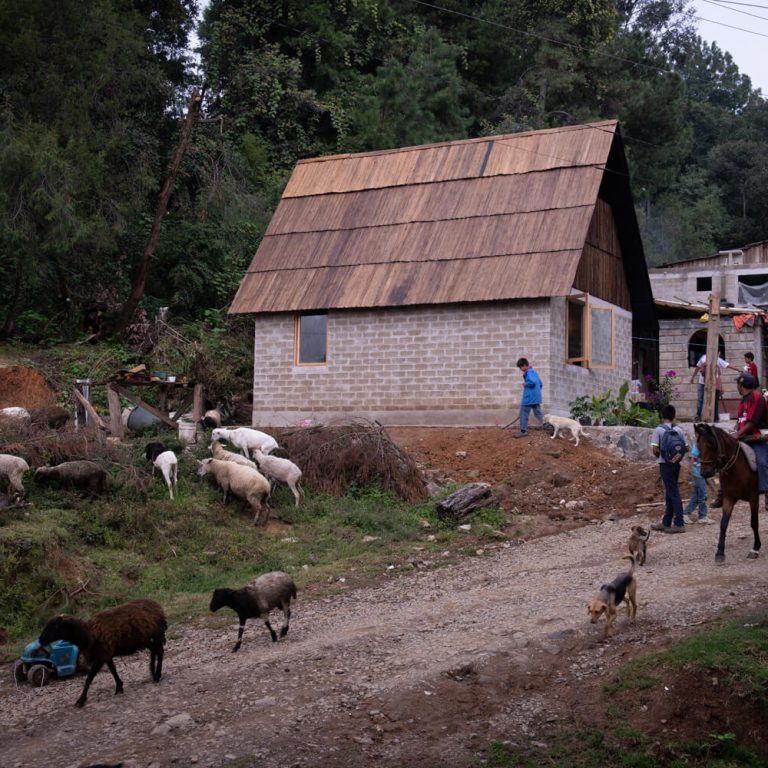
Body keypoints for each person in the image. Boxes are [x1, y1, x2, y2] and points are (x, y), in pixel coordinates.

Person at [712, 372, 768, 507]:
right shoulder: (744, 399)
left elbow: (753, 422)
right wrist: (734, 429)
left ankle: (766, 490)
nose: (736, 386)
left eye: (737, 383)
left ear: (741, 385)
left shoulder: (757, 397)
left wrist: (738, 434)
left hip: (757, 437)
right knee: (725, 457)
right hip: (744, 436)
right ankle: (723, 492)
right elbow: (741, 419)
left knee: (761, 461)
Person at [650, 404, 687, 533]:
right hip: (676, 464)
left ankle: (679, 523)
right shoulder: (679, 430)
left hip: (665, 465)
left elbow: (654, 450)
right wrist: (675, 458)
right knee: (670, 491)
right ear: (674, 416)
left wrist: (663, 456)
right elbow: (685, 448)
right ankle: (666, 522)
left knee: (673, 492)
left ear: (661, 415)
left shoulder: (658, 430)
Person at [690, 353, 731, 422]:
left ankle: (715, 417)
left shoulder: (717, 360)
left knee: (714, 400)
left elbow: (725, 367)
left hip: (713, 383)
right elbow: (698, 367)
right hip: (702, 382)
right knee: (701, 399)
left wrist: (720, 386)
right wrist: (693, 377)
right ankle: (698, 416)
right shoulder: (703, 358)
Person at [513, 357, 544, 438]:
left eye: (520, 367)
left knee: (523, 413)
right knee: (538, 413)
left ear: (524, 365)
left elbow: (532, 382)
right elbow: (540, 384)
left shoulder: (529, 372)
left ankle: (523, 431)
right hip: (536, 397)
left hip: (529, 398)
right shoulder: (534, 372)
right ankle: (550, 427)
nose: (520, 369)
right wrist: (535, 392)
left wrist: (525, 384)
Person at [683, 444, 712, 524]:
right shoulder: (698, 445)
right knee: (703, 495)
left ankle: (685, 513)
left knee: (696, 496)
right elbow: (693, 457)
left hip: (700, 472)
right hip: (698, 472)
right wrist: (690, 469)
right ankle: (702, 516)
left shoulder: (703, 444)